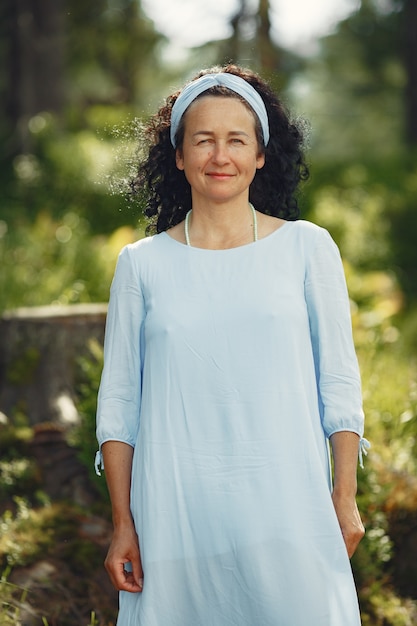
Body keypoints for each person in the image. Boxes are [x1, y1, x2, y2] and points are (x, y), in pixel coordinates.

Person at [95, 64, 369, 625]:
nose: (220, 156)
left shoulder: (307, 249)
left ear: (261, 154)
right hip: (175, 518)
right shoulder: (141, 265)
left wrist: (344, 495)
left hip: (291, 511)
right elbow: (119, 402)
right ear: (178, 155)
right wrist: (123, 522)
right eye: (203, 140)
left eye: (236, 140)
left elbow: (338, 382)